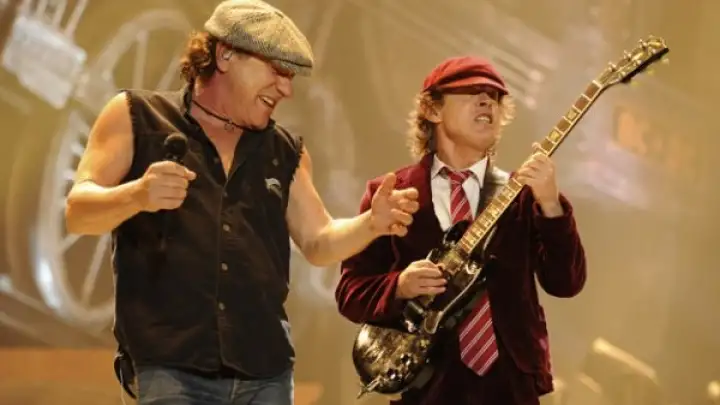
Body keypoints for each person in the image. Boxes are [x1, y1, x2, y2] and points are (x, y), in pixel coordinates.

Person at [64, 1, 419, 404]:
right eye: (277, 71)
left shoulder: (285, 151)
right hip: (168, 368)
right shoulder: (136, 116)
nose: (286, 89)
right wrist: (137, 194)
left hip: (265, 374)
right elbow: (78, 212)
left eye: (290, 77)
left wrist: (371, 223)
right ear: (225, 55)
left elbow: (318, 241)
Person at [335, 56, 587, 405]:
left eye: (495, 97)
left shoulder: (523, 194)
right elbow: (350, 293)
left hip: (511, 387)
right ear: (432, 109)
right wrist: (399, 285)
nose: (487, 101)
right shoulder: (390, 193)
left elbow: (566, 282)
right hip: (427, 388)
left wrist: (551, 205)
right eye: (472, 91)